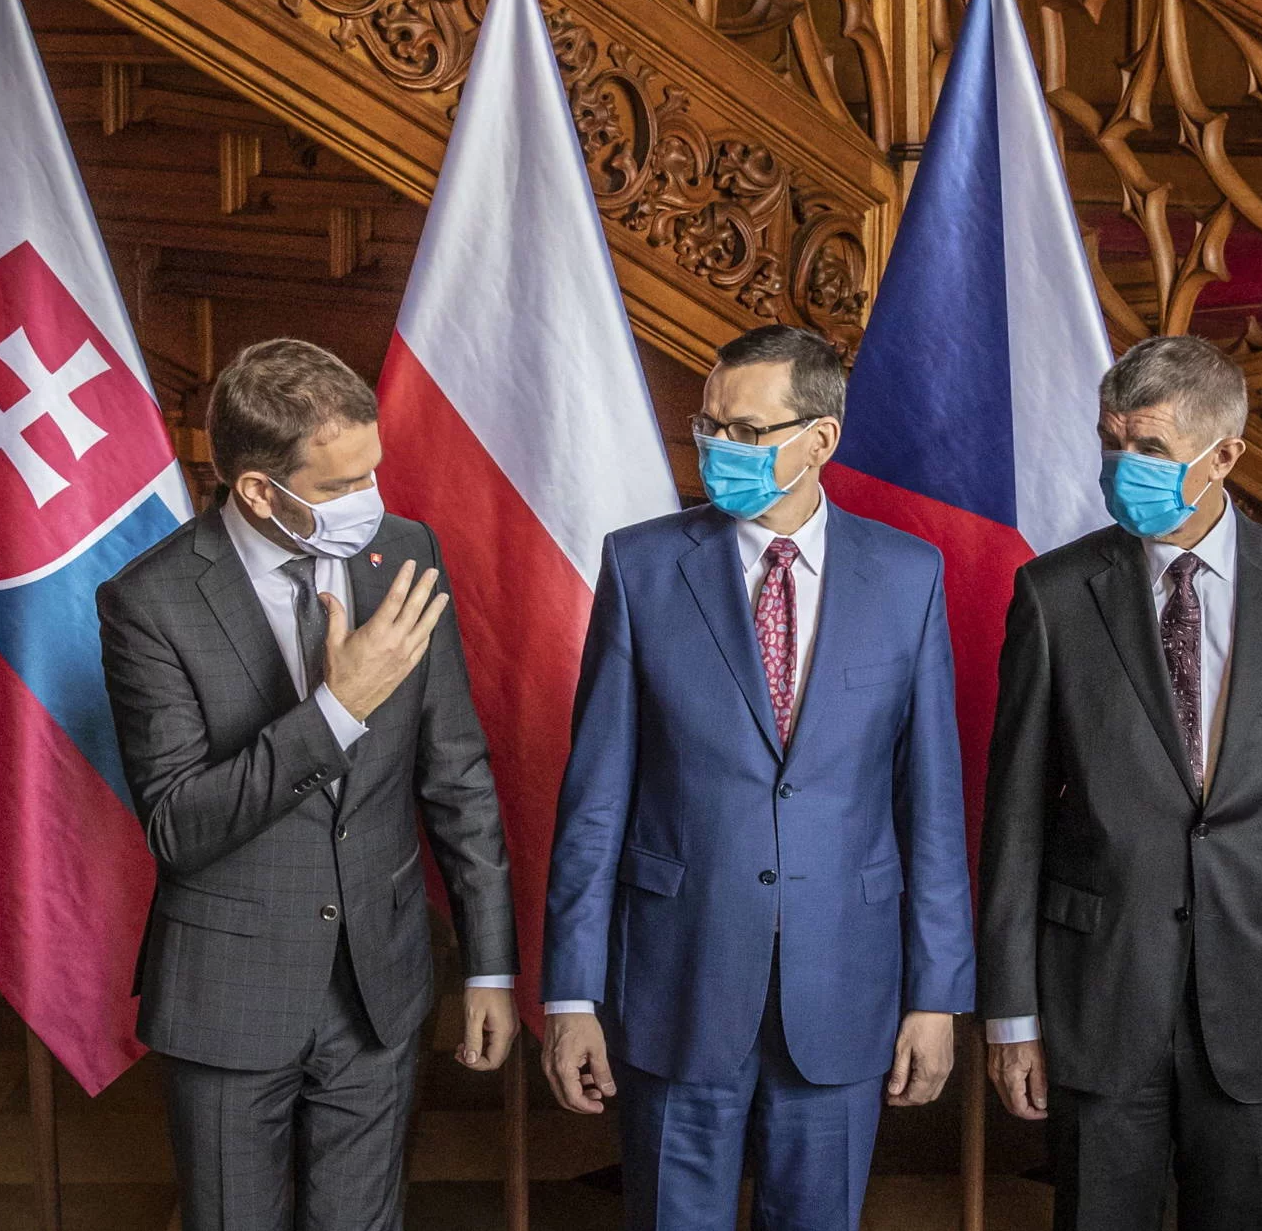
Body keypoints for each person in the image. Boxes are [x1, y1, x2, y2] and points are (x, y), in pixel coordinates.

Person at [541, 323, 973, 1231]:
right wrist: (572, 992)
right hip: (676, 980)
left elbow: (930, 807)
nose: (717, 447)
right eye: (709, 425)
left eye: (744, 430)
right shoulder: (640, 565)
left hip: (845, 986)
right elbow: (595, 804)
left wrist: (936, 994)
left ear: (820, 439)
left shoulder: (909, 575)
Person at [98, 338, 516, 1231]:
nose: (371, 499)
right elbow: (178, 823)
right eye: (341, 484)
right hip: (229, 995)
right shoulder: (150, 601)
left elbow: (457, 774)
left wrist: (489, 965)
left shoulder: (405, 549)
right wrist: (337, 709)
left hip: (381, 983)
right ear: (259, 490)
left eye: (373, 471)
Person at [977, 334, 1262, 1231]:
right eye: (1111, 441)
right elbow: (1014, 823)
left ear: (1225, 454)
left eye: (1151, 447)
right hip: (1100, 997)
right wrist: (1011, 1015)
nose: (1122, 465)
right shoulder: (1053, 593)